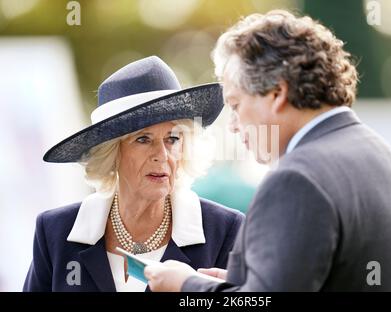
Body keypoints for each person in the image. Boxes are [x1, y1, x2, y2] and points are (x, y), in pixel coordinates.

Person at [144, 10, 391, 291]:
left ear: (277, 93)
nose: (233, 126)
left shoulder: (297, 179)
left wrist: (186, 285)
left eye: (235, 105)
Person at [23, 56, 244, 292]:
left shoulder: (225, 229)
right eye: (143, 139)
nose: (162, 154)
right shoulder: (56, 231)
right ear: (111, 153)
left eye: (172, 139)